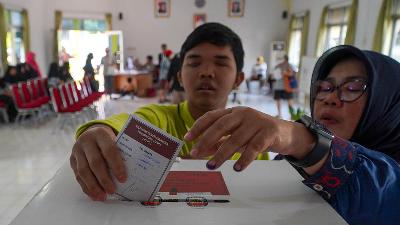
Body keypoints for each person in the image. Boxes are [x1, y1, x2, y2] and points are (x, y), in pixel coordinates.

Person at [184, 45, 400, 225]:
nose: (330, 98)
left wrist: (304, 140)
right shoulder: (292, 163)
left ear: (390, 102)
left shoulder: (390, 177)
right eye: (324, 87)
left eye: (353, 87)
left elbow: (383, 190)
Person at [70, 22, 269, 202]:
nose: (206, 71)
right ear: (180, 77)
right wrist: (98, 131)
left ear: (238, 79)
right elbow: (125, 124)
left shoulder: (252, 136)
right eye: (194, 63)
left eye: (221, 63)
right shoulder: (160, 118)